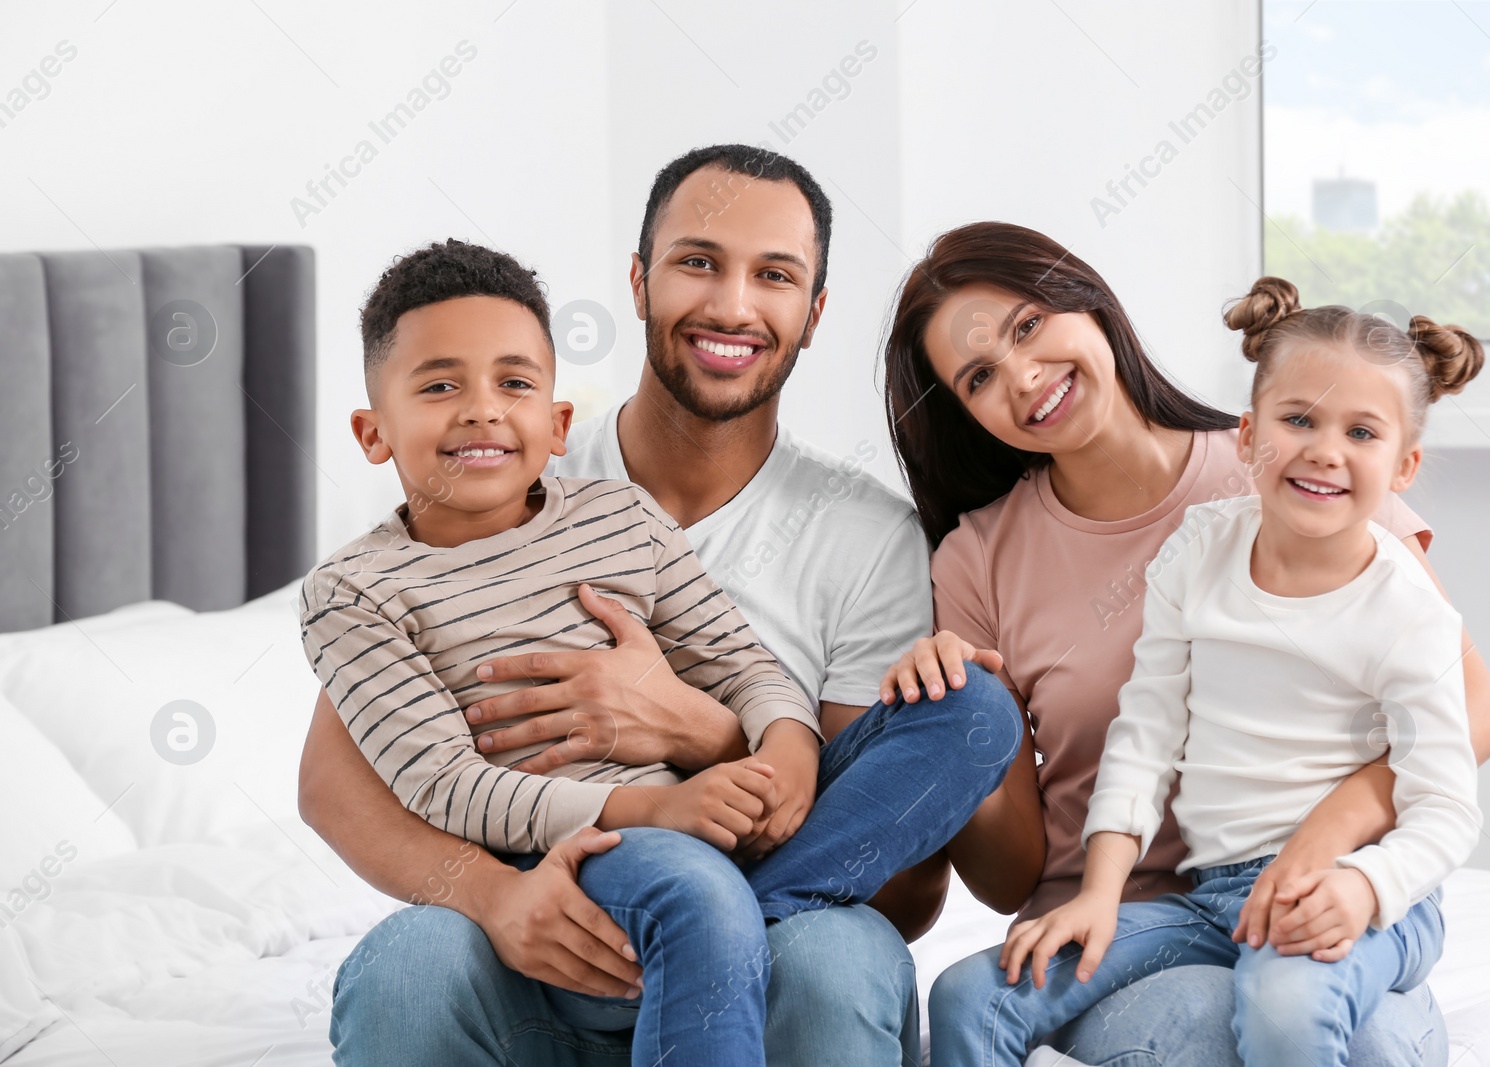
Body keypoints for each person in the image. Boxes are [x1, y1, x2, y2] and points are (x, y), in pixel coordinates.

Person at [297, 146, 1033, 1066]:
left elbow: (903, 878)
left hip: (767, 907)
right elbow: (338, 785)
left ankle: (718, 920)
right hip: (556, 904)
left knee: (947, 753)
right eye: (698, 262)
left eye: (773, 275)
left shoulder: (856, 533)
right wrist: (495, 895)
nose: (731, 305)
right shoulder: (493, 489)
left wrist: (714, 737)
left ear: (813, 313)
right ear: (640, 282)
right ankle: (697, 913)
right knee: (407, 960)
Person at [876, 222, 1490, 1066]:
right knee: (1217, 1013)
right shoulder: (982, 558)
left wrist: (1332, 836)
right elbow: (1010, 870)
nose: (1024, 377)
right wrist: (962, 719)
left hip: (1330, 892)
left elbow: (1479, 719)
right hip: (1134, 915)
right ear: (967, 413)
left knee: (1353, 1026)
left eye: (1029, 326)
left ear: (1088, 302)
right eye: (981, 375)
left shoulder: (1310, 465)